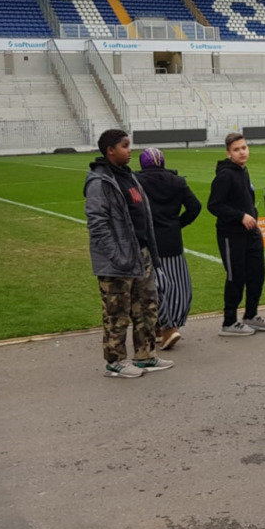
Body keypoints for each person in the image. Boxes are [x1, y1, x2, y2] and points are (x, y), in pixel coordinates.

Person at [84, 129, 172, 378]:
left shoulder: (129, 177)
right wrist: (117, 256)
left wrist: (150, 254)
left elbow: (143, 216)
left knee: (146, 307)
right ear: (110, 150)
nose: (129, 149)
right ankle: (116, 361)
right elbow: (97, 223)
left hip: (140, 254)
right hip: (118, 261)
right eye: (124, 145)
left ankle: (145, 355)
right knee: (117, 312)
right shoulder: (100, 181)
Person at [208, 132, 265, 336]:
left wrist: (252, 218)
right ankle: (229, 322)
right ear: (229, 153)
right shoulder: (225, 175)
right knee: (236, 277)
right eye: (236, 149)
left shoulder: (243, 171)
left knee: (257, 274)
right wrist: (240, 216)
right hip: (231, 234)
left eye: (244, 147)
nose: (242, 152)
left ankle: (251, 315)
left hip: (251, 233)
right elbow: (214, 205)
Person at [136, 147, 201, 351]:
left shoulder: (136, 182)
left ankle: (166, 326)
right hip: (172, 241)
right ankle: (169, 324)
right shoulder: (177, 181)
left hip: (147, 241)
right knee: (178, 286)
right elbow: (195, 207)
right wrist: (178, 223)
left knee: (154, 286)